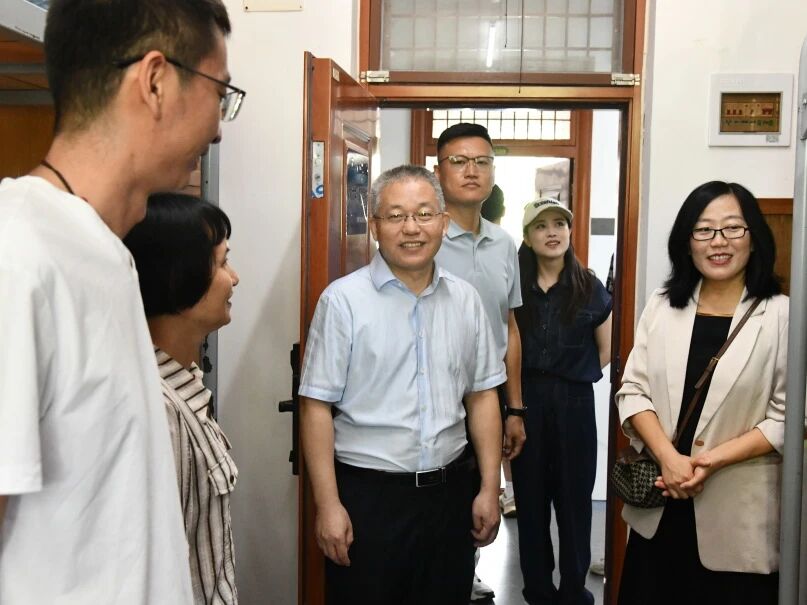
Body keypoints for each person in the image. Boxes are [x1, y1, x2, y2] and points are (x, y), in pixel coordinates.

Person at [0, 1, 241, 602]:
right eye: (220, 92)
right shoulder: (18, 254)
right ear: (155, 81)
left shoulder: (107, 253)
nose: (218, 127)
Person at [299, 165, 504, 605]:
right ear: (375, 227)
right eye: (395, 216)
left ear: (443, 223)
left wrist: (490, 487)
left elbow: (483, 395)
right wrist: (328, 505)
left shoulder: (465, 300)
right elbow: (315, 407)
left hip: (449, 498)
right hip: (369, 501)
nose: (411, 228)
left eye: (424, 214)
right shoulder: (343, 301)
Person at [616, 181, 787, 605]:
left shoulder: (782, 314)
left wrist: (709, 461)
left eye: (733, 228)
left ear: (754, 238)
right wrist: (669, 458)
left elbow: (787, 417)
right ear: (687, 242)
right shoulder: (662, 304)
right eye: (704, 230)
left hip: (737, 521)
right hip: (659, 505)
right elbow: (633, 390)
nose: (719, 241)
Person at [124, 193, 240, 605]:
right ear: (179, 278)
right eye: (222, 263)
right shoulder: (158, 409)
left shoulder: (184, 386)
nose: (234, 278)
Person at [433, 123, 526, 602]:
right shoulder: (424, 237)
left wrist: (516, 407)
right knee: (439, 507)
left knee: (479, 501)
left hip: (488, 400)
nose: (472, 171)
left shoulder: (504, 244)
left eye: (482, 161)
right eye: (459, 161)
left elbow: (508, 327)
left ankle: (463, 579)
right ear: (438, 171)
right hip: (436, 400)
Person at [511, 198, 612, 605]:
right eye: (541, 226)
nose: (552, 232)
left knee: (574, 504)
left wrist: (571, 373)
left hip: (575, 403)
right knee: (531, 503)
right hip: (526, 402)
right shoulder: (515, 287)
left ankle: (574, 591)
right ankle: (537, 591)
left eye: (559, 224)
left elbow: (606, 348)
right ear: (527, 237)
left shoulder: (589, 287)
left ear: (570, 232)